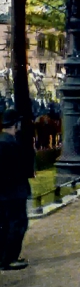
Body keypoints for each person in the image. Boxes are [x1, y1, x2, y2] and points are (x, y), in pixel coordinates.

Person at [0, 109, 31, 270]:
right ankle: (9, 259)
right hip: (14, 193)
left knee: (5, 224)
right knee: (18, 224)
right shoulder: (10, 143)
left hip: (5, 193)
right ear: (15, 124)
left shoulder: (3, 141)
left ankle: (3, 258)